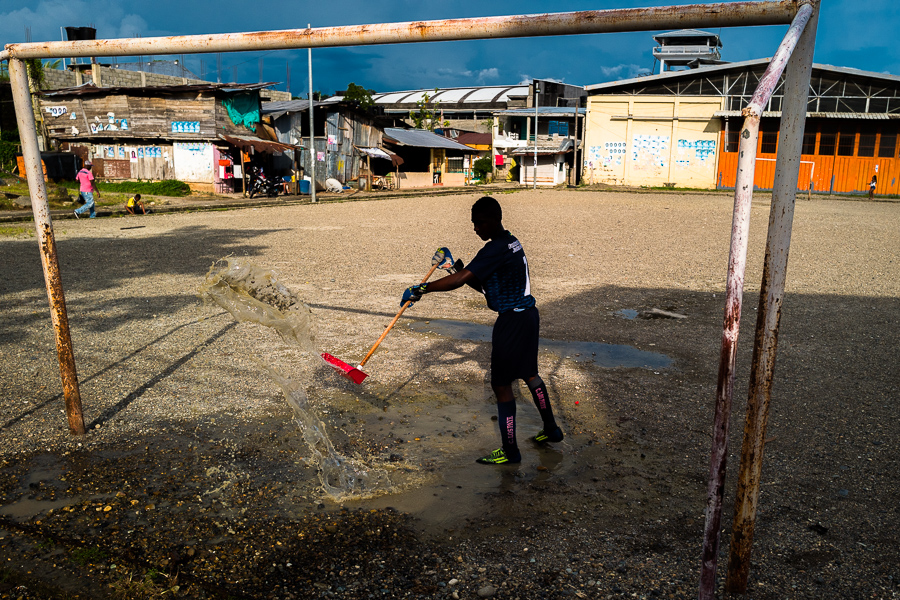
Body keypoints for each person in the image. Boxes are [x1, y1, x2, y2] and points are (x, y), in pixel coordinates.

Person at [400, 196, 563, 465]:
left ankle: (510, 452)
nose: (476, 229)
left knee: (501, 385)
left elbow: (463, 280)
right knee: (530, 374)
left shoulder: (493, 250)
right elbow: (483, 283)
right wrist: (459, 270)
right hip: (528, 317)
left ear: (492, 220)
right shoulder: (511, 241)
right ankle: (552, 430)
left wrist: (423, 288)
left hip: (511, 322)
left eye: (479, 224)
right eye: (474, 224)